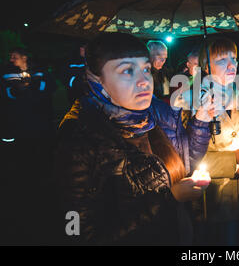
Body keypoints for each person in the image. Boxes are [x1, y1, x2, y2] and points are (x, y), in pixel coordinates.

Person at [54, 33, 214, 245]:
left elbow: (187, 161)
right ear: (96, 79)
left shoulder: (151, 118)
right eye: (127, 71)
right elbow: (77, 234)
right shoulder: (80, 140)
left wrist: (201, 120)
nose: (143, 82)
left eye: (146, 69)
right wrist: (169, 199)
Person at [174, 37, 239, 246]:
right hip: (209, 200)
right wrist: (234, 159)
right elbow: (188, 156)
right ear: (206, 66)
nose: (232, 65)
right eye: (222, 60)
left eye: (234, 58)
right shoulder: (193, 101)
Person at [0, 47, 56, 243]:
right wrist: (19, 90)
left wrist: (34, 89)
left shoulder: (39, 70)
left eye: (14, 55)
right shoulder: (6, 72)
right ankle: (24, 186)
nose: (11, 58)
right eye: (10, 56)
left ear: (24, 56)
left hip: (40, 122)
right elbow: (7, 93)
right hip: (19, 122)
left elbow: (47, 89)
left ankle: (43, 179)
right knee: (22, 154)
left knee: (40, 151)